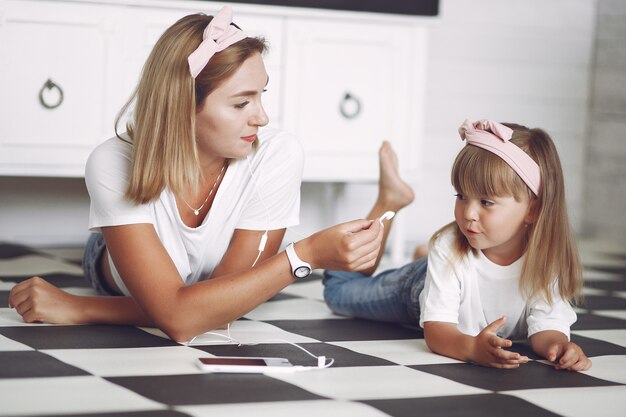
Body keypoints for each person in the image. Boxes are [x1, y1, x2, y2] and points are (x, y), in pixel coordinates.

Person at [7, 6, 384, 343]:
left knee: (200, 298)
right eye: (241, 102)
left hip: (179, 292)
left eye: (261, 95)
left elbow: (216, 312)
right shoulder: (111, 162)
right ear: (183, 105)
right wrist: (302, 256)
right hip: (110, 266)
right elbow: (188, 319)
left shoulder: (277, 155)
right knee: (185, 294)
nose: (262, 117)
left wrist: (79, 308)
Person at [324, 119, 592, 371]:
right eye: (461, 196)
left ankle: (423, 256)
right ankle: (389, 201)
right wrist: (471, 349)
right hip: (417, 288)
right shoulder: (449, 246)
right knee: (338, 293)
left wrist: (559, 347)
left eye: (486, 202)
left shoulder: (546, 258)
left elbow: (547, 325)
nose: (468, 214)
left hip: (450, 268)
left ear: (532, 210)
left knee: (441, 263)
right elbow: (437, 331)